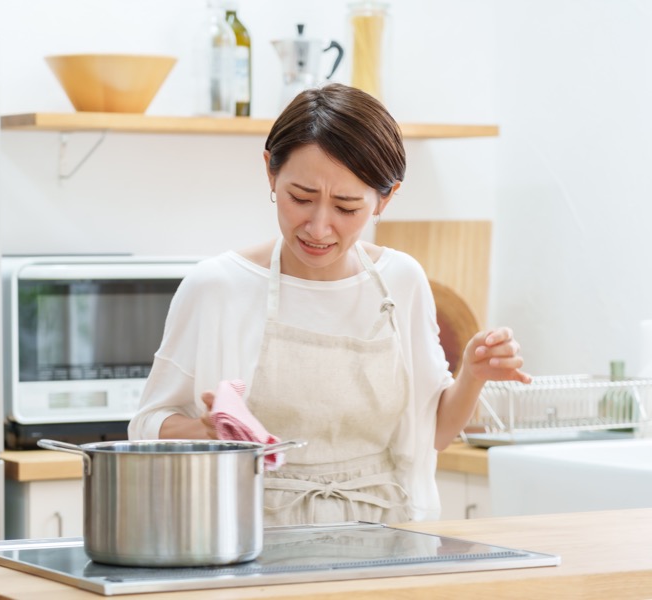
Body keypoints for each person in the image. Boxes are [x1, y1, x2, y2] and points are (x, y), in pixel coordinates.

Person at [128, 83, 530, 526]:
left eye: (346, 206)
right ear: (270, 173)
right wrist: (203, 433)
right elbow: (147, 423)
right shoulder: (218, 286)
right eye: (300, 198)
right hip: (250, 540)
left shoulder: (402, 281)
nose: (319, 228)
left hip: (387, 540)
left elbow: (433, 433)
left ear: (386, 198)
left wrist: (472, 374)